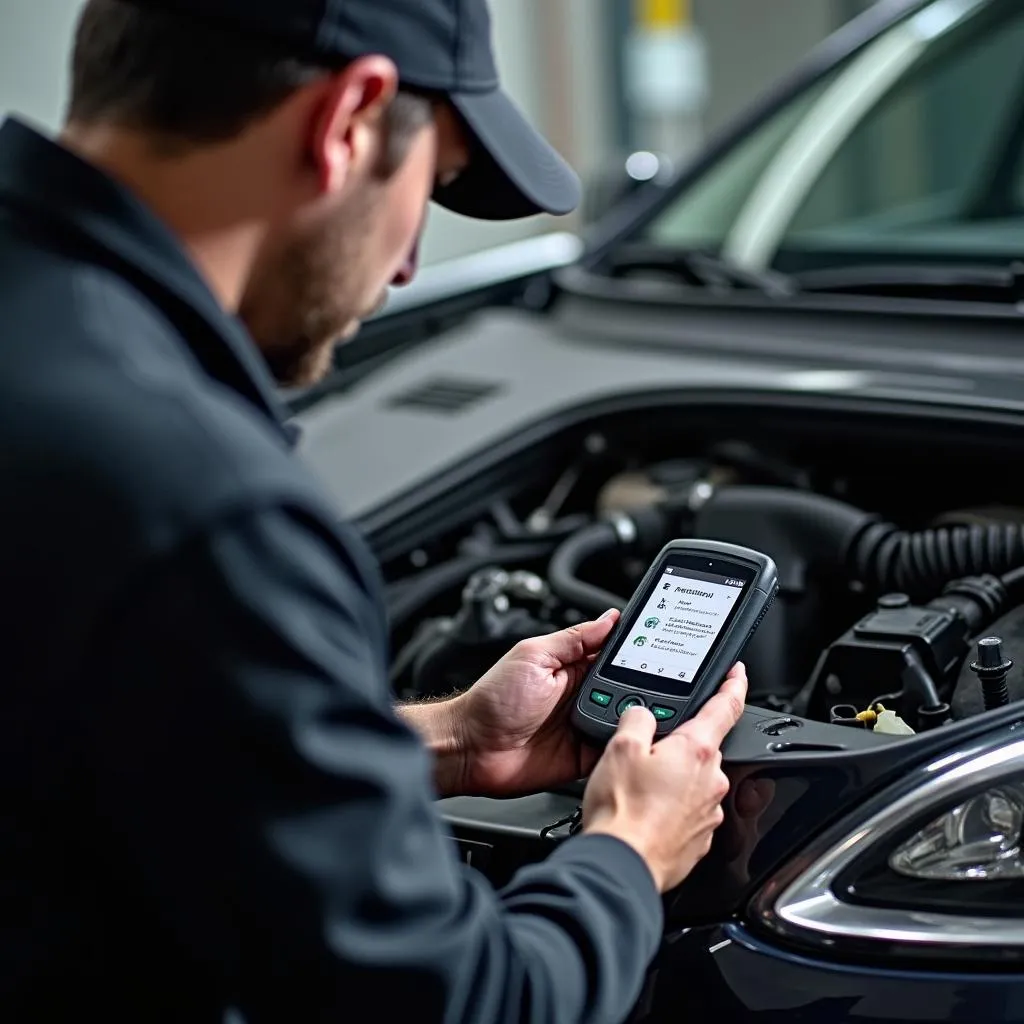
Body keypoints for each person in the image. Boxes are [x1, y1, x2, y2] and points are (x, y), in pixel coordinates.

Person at [0, 0, 749, 1021]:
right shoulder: (207, 510)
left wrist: (447, 743)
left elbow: (94, 756)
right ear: (347, 120)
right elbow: (464, 1004)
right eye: (431, 187)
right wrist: (626, 852)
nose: (404, 269)